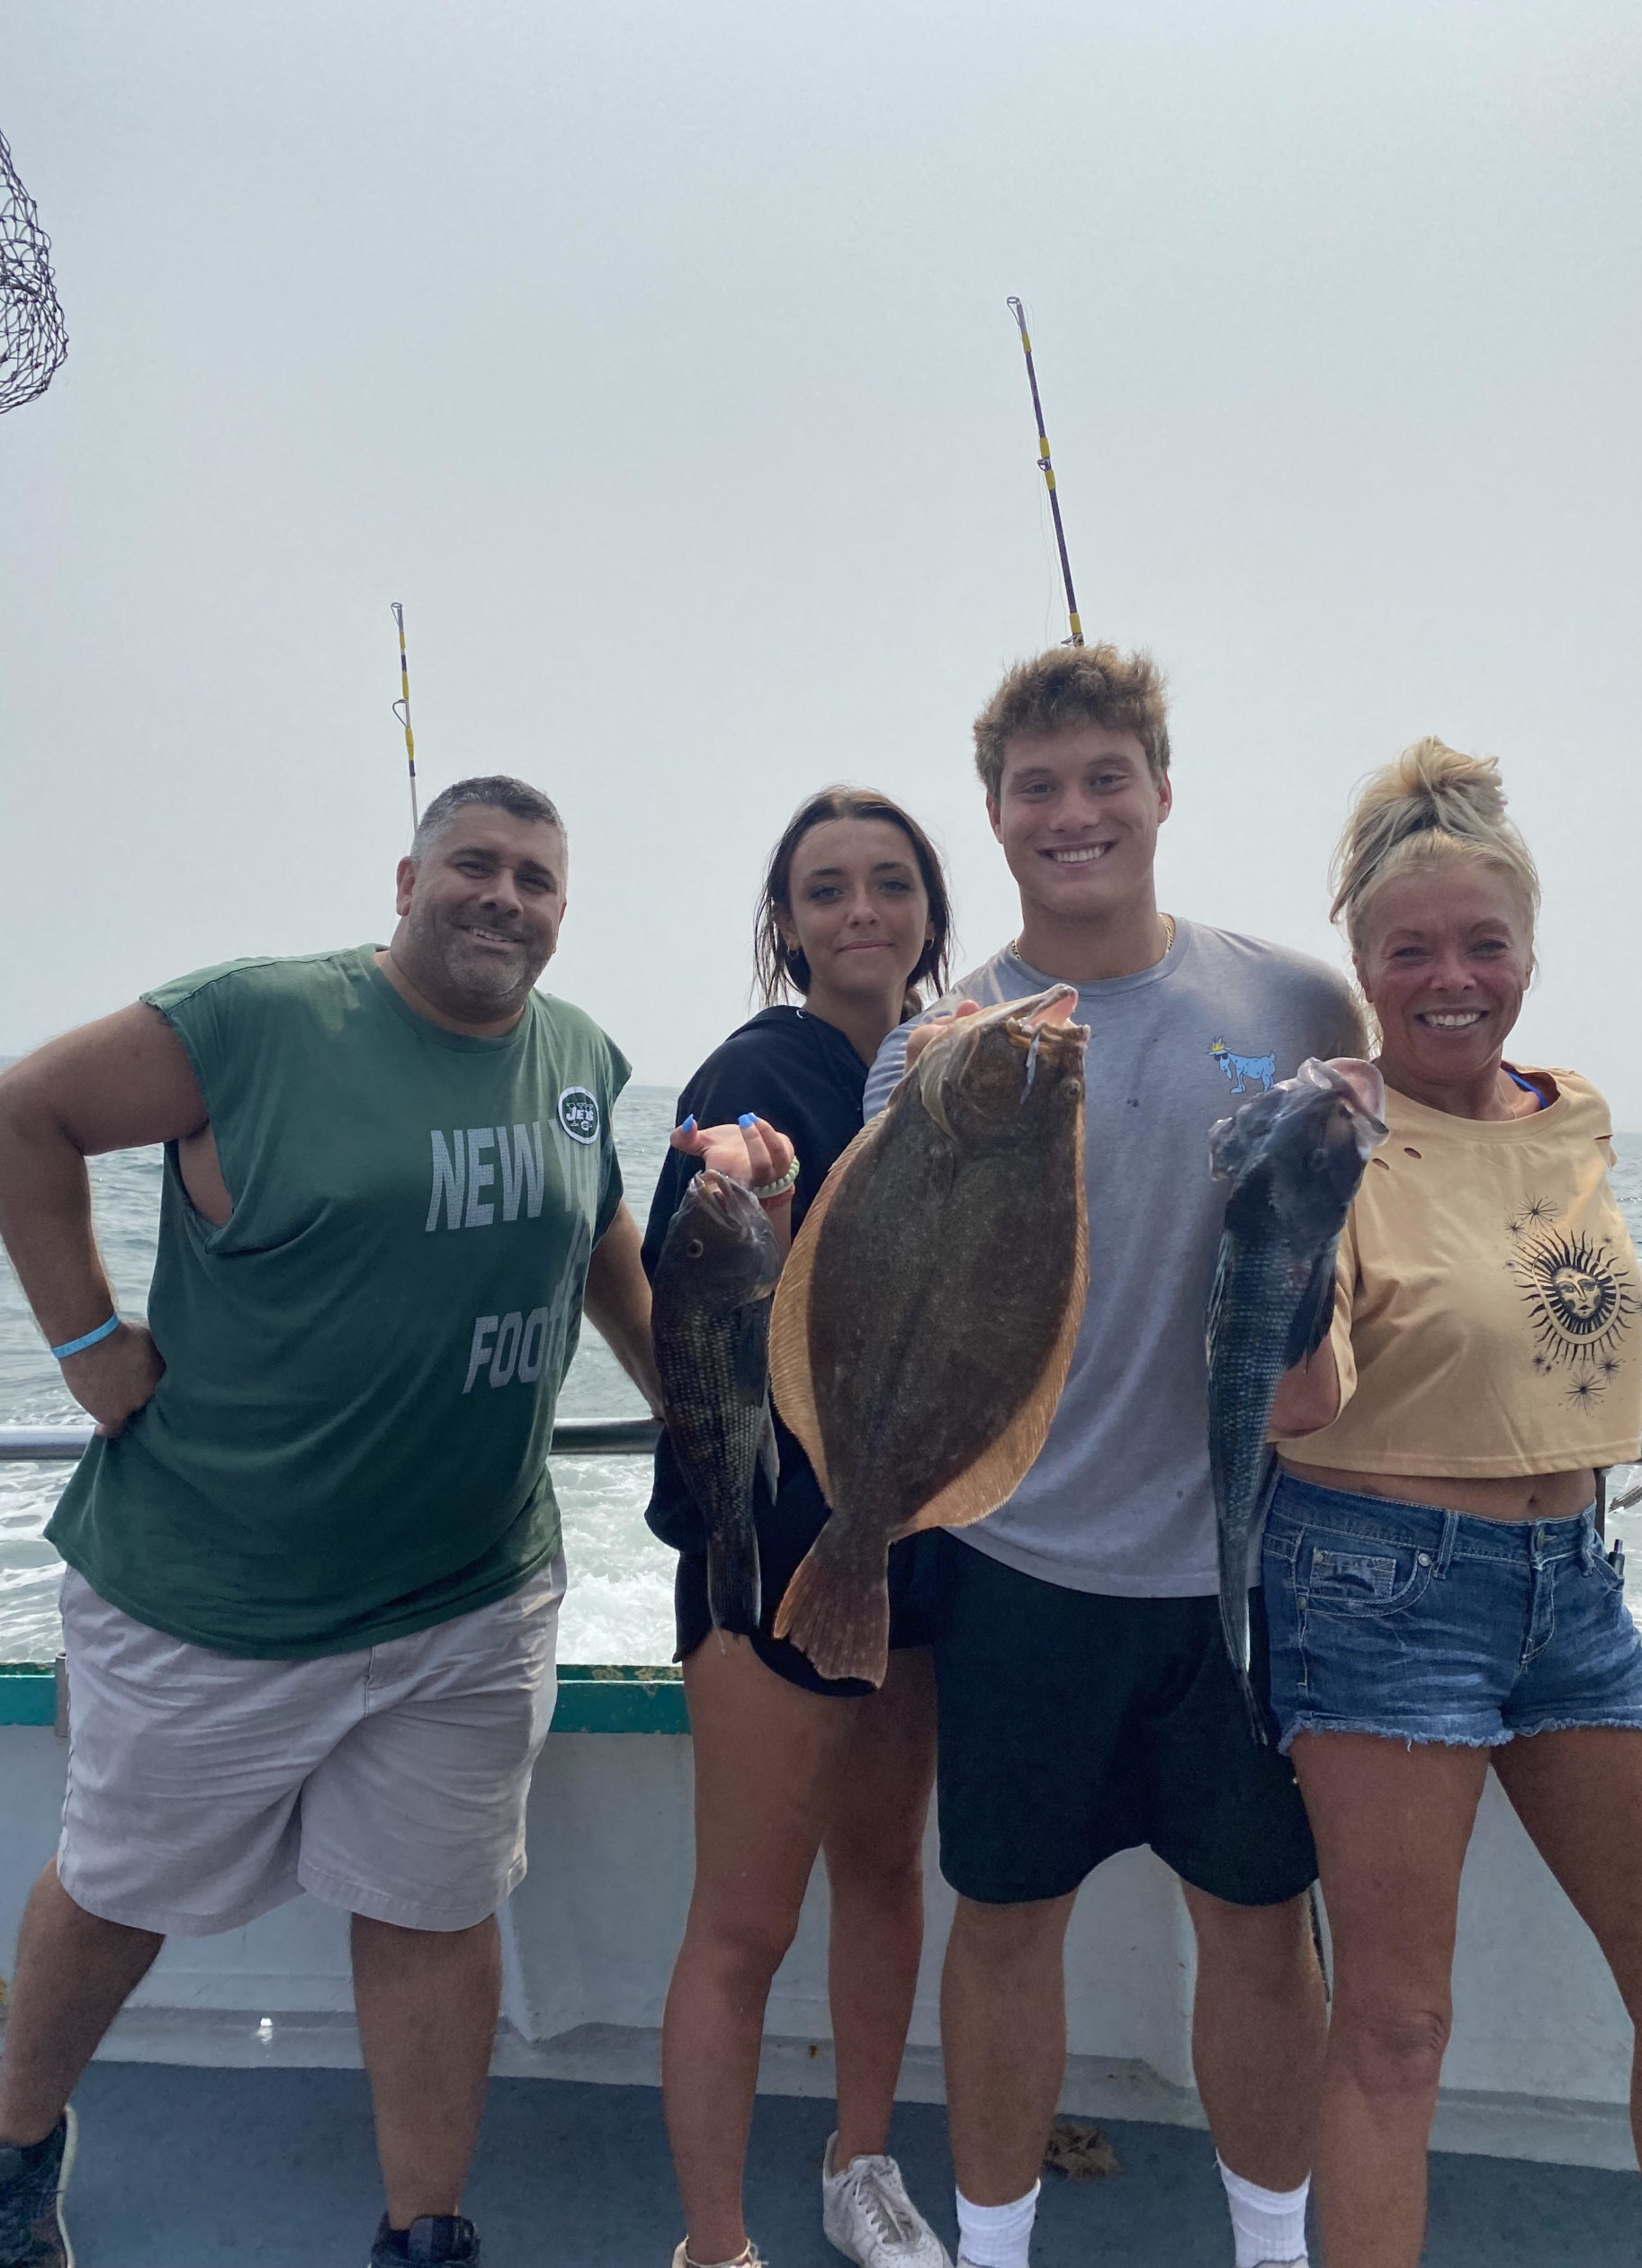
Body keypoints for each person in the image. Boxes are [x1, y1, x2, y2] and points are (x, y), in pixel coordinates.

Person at [0, 776, 752, 2268]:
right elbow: (27, 1114)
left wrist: (698, 1403)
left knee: (431, 1911)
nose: (505, 899)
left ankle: (425, 2231)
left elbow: (598, 1234)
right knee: (119, 1891)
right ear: (404, 879)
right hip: (210, 1586)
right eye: (473, 865)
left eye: (537, 880)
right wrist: (85, 1344)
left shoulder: (580, 1056)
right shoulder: (257, 1020)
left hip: (471, 1599)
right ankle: (16, 2145)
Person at [864, 646, 1363, 2268]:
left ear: (1162, 786)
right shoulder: (936, 1044)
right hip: (1023, 1566)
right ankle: (994, 2254)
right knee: (1004, 1927)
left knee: (1262, 1929)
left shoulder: (1295, 1005)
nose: (1071, 814)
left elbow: (1349, 1280)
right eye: (1035, 787)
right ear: (994, 814)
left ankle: (1272, 2250)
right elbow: (873, 1313)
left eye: (1103, 779)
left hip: (1243, 1559)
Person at [1262, 739, 1642, 2268]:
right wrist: (1285, 1226)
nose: (1451, 979)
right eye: (1413, 952)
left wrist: (1589, 1389)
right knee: (1396, 2027)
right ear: (1363, 967)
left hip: (1574, 1586)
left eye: (1484, 946)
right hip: (1374, 1584)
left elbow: (1544, 1297)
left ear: (1527, 954)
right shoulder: (1322, 1129)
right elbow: (1294, 1398)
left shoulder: (1574, 1112)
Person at [642, 787, 956, 2268]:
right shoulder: (761, 1069)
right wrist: (735, 1175)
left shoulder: (951, 1067)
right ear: (786, 926)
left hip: (923, 1544)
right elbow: (696, 1223)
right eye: (825, 890)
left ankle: (865, 2163)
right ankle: (715, 2243)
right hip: (767, 1555)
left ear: (929, 914)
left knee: (888, 1870)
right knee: (745, 1922)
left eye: (889, 884)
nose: (861, 913)